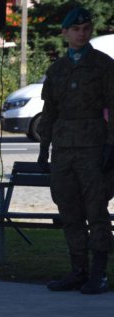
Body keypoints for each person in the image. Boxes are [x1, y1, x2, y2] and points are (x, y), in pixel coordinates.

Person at [37, 7, 114, 295]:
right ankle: (78, 270)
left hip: (94, 148)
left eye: (86, 28)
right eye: (76, 29)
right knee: (69, 211)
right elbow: (49, 112)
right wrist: (43, 148)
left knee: (96, 211)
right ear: (65, 33)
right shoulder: (56, 69)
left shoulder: (104, 65)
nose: (82, 33)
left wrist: (111, 144)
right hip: (63, 150)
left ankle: (99, 273)